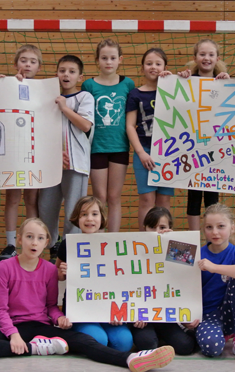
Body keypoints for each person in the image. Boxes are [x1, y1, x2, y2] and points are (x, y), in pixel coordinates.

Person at [0, 217, 175, 372]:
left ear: (47, 242)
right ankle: (36, 349)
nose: (34, 243)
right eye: (29, 237)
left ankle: (131, 359)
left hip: (42, 327)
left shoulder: (49, 269)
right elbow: (1, 310)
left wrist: (60, 318)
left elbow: (50, 307)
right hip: (16, 327)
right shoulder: (5, 267)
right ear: (19, 239)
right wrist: (14, 336)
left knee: (85, 341)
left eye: (39, 238)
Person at [55, 196, 133, 352]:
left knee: (124, 343)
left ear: (102, 217)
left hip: (108, 308)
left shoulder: (113, 245)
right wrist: (62, 272)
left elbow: (123, 280)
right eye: (84, 214)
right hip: (81, 309)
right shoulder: (68, 244)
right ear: (77, 218)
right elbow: (57, 273)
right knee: (99, 340)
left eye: (94, 214)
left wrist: (118, 312)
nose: (89, 218)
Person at [38, 55, 94, 261]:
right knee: (46, 208)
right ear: (56, 73)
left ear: (80, 76)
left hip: (76, 163)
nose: (66, 75)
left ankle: (71, 253)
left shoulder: (85, 97)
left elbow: (85, 125)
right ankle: (53, 248)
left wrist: (64, 108)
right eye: (62, 70)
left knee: (73, 211)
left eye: (71, 71)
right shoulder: (47, 98)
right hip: (51, 164)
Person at [185, 203, 235, 362]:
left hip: (232, 313)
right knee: (212, 347)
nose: (215, 232)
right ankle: (217, 332)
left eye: (221, 226)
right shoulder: (195, 253)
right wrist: (163, 237)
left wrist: (215, 267)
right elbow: (168, 263)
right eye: (209, 227)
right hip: (209, 315)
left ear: (232, 227)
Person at [82, 39, 135, 233]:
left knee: (114, 197)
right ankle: (99, 238)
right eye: (104, 58)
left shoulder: (128, 84)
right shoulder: (89, 85)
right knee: (100, 197)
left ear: (120, 60)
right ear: (97, 60)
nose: (108, 62)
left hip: (120, 147)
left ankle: (112, 240)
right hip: (97, 147)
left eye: (113, 58)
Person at [129, 207, 196, 355]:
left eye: (163, 227)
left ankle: (167, 336)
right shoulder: (134, 249)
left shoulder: (174, 249)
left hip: (165, 316)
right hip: (142, 317)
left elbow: (187, 275)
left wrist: (175, 242)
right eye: (152, 227)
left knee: (185, 346)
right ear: (144, 228)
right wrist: (135, 315)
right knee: (147, 344)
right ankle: (155, 337)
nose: (157, 231)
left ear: (170, 228)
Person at [178, 39, 230, 230]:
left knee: (212, 198)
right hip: (192, 147)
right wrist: (179, 78)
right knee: (193, 197)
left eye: (210, 55)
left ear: (217, 58)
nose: (206, 58)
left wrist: (233, 81)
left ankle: (211, 239)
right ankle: (194, 239)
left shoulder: (225, 82)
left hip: (215, 149)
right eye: (202, 54)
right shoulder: (185, 80)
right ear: (195, 57)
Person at [0, 45, 44, 261]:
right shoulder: (8, 84)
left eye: (32, 61)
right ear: (16, 63)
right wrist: (0, 84)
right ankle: (10, 244)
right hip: (12, 150)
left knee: (32, 199)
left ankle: (32, 242)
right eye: (23, 60)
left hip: (35, 151)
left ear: (39, 66)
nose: (27, 64)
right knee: (13, 197)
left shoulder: (45, 88)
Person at [125, 48, 174, 230]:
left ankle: (164, 237)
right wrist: (140, 153)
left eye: (158, 64)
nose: (153, 67)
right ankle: (144, 240)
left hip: (168, 152)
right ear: (142, 68)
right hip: (144, 151)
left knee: (163, 200)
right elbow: (130, 125)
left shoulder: (172, 91)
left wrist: (174, 80)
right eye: (149, 63)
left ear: (165, 67)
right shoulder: (135, 94)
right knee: (147, 198)